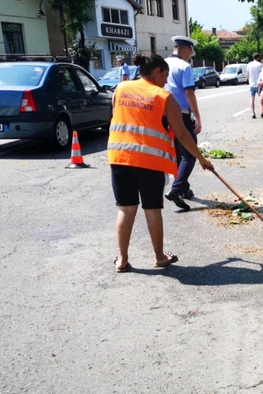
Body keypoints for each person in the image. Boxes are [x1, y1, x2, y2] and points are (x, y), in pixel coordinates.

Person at [108, 53, 214, 272]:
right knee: (152, 208)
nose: (166, 81)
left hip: (119, 158)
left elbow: (118, 116)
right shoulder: (163, 97)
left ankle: (122, 260)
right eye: (165, 75)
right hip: (149, 161)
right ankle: (159, 257)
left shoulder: (121, 89)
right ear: (157, 71)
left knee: (126, 209)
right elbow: (183, 134)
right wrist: (202, 159)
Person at [162, 35, 203, 211]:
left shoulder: (162, 64)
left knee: (178, 153)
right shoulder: (184, 67)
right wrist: (198, 117)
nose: (189, 57)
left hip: (162, 114)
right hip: (181, 114)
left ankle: (184, 188)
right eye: (190, 54)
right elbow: (189, 93)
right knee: (190, 153)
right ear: (186, 50)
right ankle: (176, 188)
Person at [247, 53, 263, 119]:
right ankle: (262, 112)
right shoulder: (260, 64)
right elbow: (261, 74)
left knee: (252, 99)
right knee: (261, 98)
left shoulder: (249, 64)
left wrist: (249, 82)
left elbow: (247, 74)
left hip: (252, 84)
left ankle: (253, 113)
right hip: (258, 84)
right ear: (258, 57)